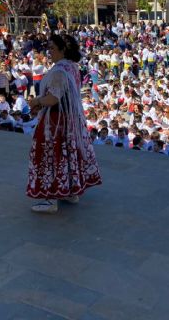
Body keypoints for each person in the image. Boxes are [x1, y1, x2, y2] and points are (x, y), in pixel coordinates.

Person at [26, 34, 102, 214]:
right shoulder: (72, 66)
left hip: (55, 120)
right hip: (68, 119)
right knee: (66, 154)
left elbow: (53, 98)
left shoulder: (60, 71)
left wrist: (36, 101)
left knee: (51, 156)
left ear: (63, 49)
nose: (49, 51)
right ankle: (69, 192)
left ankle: (50, 198)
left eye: (52, 48)